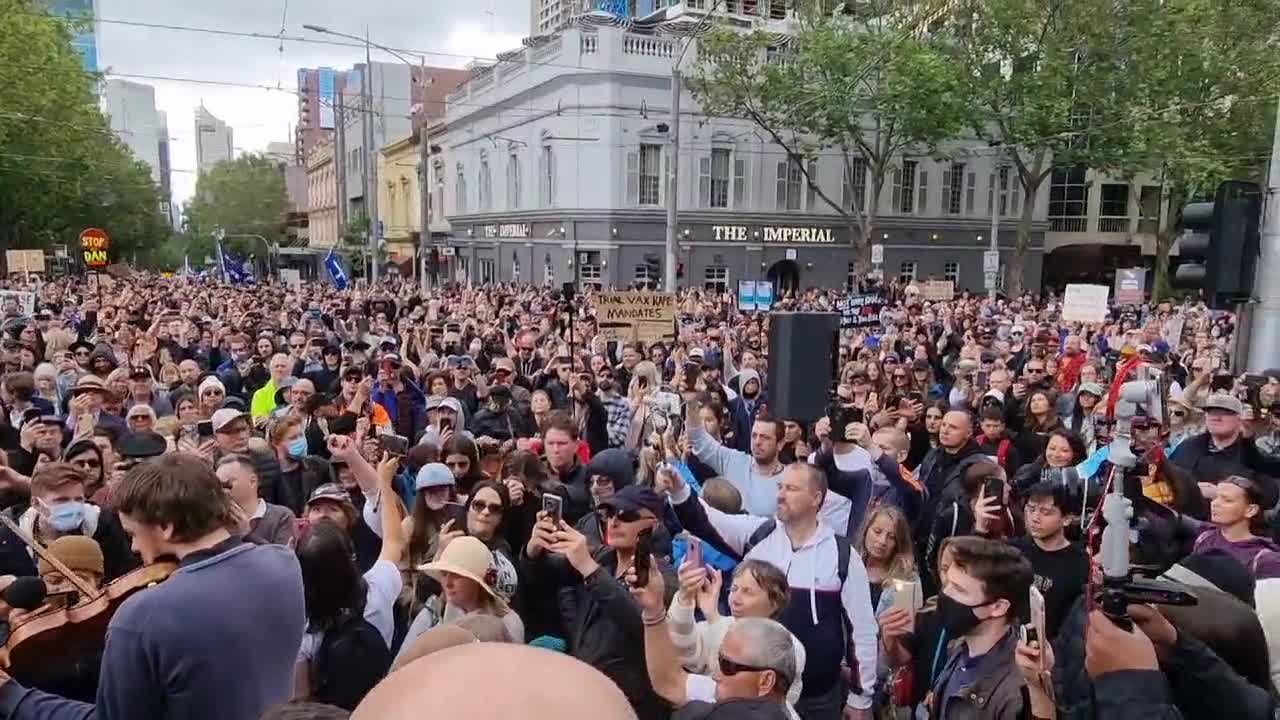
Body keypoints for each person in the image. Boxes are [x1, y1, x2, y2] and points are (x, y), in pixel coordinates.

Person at [0, 452, 307, 719]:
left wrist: (12, 696)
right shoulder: (283, 564)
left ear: (166, 526)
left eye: (133, 533)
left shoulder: (143, 615)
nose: (133, 548)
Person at [660, 463, 877, 720]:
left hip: (819, 697)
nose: (780, 494)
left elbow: (862, 630)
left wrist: (860, 697)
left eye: (791, 488)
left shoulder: (842, 555)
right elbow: (705, 519)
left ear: (816, 498)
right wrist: (679, 490)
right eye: (780, 487)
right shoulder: (758, 534)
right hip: (755, 698)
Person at [521, 484, 678, 720]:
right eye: (609, 514)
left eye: (626, 516)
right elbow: (541, 575)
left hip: (633, 703)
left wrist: (589, 568)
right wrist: (534, 550)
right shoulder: (602, 557)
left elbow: (638, 622)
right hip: (585, 688)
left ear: (652, 524)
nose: (613, 522)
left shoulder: (662, 577)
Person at [293, 455, 405, 711]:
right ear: (349, 557)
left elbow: (301, 699)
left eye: (332, 509)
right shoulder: (377, 590)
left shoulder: (303, 628)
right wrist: (384, 484)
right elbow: (395, 542)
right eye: (317, 509)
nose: (323, 516)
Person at [633, 562, 800, 720]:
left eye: (728, 667)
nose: (716, 675)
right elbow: (669, 681)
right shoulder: (729, 692)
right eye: (734, 589)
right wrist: (654, 609)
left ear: (766, 681)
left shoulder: (790, 648)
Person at [926, 536, 1033, 719]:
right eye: (948, 583)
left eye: (959, 590)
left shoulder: (1014, 694)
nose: (945, 593)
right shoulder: (959, 646)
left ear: (998, 607)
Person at [393, 535, 525, 666]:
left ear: (476, 582)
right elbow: (400, 666)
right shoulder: (433, 612)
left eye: (456, 575)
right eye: (444, 574)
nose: (447, 583)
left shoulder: (508, 624)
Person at [0, 463, 137, 581]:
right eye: (61, 500)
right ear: (36, 503)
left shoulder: (105, 526)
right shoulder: (9, 537)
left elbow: (124, 574)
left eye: (78, 499)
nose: (73, 506)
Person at [1009, 480, 1090, 639]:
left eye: (1046, 512)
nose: (1035, 518)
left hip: (1052, 652)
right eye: (1031, 509)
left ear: (1066, 519)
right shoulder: (1013, 551)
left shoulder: (1080, 564)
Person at [684, 396, 787, 518]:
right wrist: (690, 403)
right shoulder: (735, 461)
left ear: (780, 443)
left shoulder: (790, 480)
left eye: (765, 437)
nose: (757, 442)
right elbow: (699, 439)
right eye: (754, 436)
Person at [215, 454, 297, 546]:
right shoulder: (216, 520)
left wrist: (247, 534)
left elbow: (283, 557)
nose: (222, 489)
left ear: (252, 481)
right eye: (218, 485)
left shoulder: (281, 516)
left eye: (227, 483)